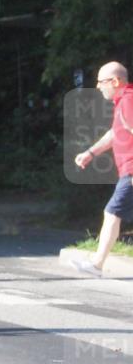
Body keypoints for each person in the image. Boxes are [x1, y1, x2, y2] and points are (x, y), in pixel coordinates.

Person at [72, 61, 133, 277]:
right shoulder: (124, 101)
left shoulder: (128, 101)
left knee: (112, 212)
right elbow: (115, 134)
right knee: (113, 213)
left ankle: (97, 264)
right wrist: (90, 153)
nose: (98, 87)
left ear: (115, 81)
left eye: (101, 82)